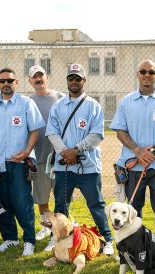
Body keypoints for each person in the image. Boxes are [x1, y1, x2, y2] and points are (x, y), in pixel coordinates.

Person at [110, 59, 155, 250]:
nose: (147, 75)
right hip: (134, 166)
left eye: (151, 72)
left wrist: (154, 150)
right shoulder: (127, 101)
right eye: (143, 71)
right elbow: (120, 131)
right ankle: (135, 243)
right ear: (138, 75)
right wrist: (137, 150)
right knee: (133, 209)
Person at [46, 63, 114, 255]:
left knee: (96, 204)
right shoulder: (58, 106)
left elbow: (96, 135)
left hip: (88, 166)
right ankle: (56, 238)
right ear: (67, 80)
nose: (74, 82)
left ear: (84, 80)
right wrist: (65, 153)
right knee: (61, 205)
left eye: (78, 78)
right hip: (64, 166)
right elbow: (52, 132)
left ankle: (107, 239)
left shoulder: (93, 106)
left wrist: (76, 150)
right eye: (71, 78)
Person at [0, 68, 44, 256]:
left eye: (10, 80)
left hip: (18, 163)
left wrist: (27, 152)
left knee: (22, 203)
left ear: (16, 83)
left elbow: (35, 131)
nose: (6, 84)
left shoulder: (26, 104)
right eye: (2, 81)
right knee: (2, 203)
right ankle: (10, 238)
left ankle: (29, 240)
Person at [26, 64, 65, 250]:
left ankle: (60, 226)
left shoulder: (60, 98)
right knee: (42, 196)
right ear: (30, 81)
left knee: (60, 195)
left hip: (59, 157)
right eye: (35, 77)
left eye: (41, 75)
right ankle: (46, 226)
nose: (38, 79)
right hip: (39, 155)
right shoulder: (28, 101)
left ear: (46, 78)